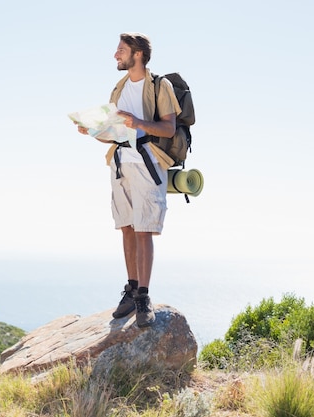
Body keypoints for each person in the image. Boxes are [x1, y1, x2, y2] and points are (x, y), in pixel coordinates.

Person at [76, 33, 180, 327]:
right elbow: (115, 133)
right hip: (120, 164)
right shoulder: (119, 89)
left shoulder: (160, 85)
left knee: (144, 229)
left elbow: (169, 129)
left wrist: (138, 123)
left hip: (148, 164)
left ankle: (144, 297)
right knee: (127, 228)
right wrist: (94, 131)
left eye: (120, 50)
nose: (115, 55)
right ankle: (132, 289)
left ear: (137, 54)